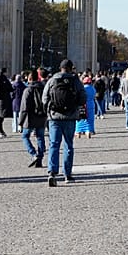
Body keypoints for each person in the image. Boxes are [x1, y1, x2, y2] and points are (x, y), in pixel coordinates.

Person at [41, 58, 86, 186]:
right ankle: (67, 174)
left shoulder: (52, 80)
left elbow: (44, 99)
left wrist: (49, 111)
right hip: (70, 117)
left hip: (54, 117)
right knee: (68, 145)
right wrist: (75, 106)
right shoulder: (75, 81)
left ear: (60, 68)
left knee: (54, 145)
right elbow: (83, 97)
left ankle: (52, 172)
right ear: (71, 68)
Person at [19, 68, 48, 168]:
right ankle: (39, 158)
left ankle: (33, 153)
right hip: (42, 116)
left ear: (29, 78)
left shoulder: (28, 90)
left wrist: (20, 122)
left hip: (30, 117)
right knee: (40, 137)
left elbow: (24, 107)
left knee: (25, 136)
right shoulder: (43, 88)